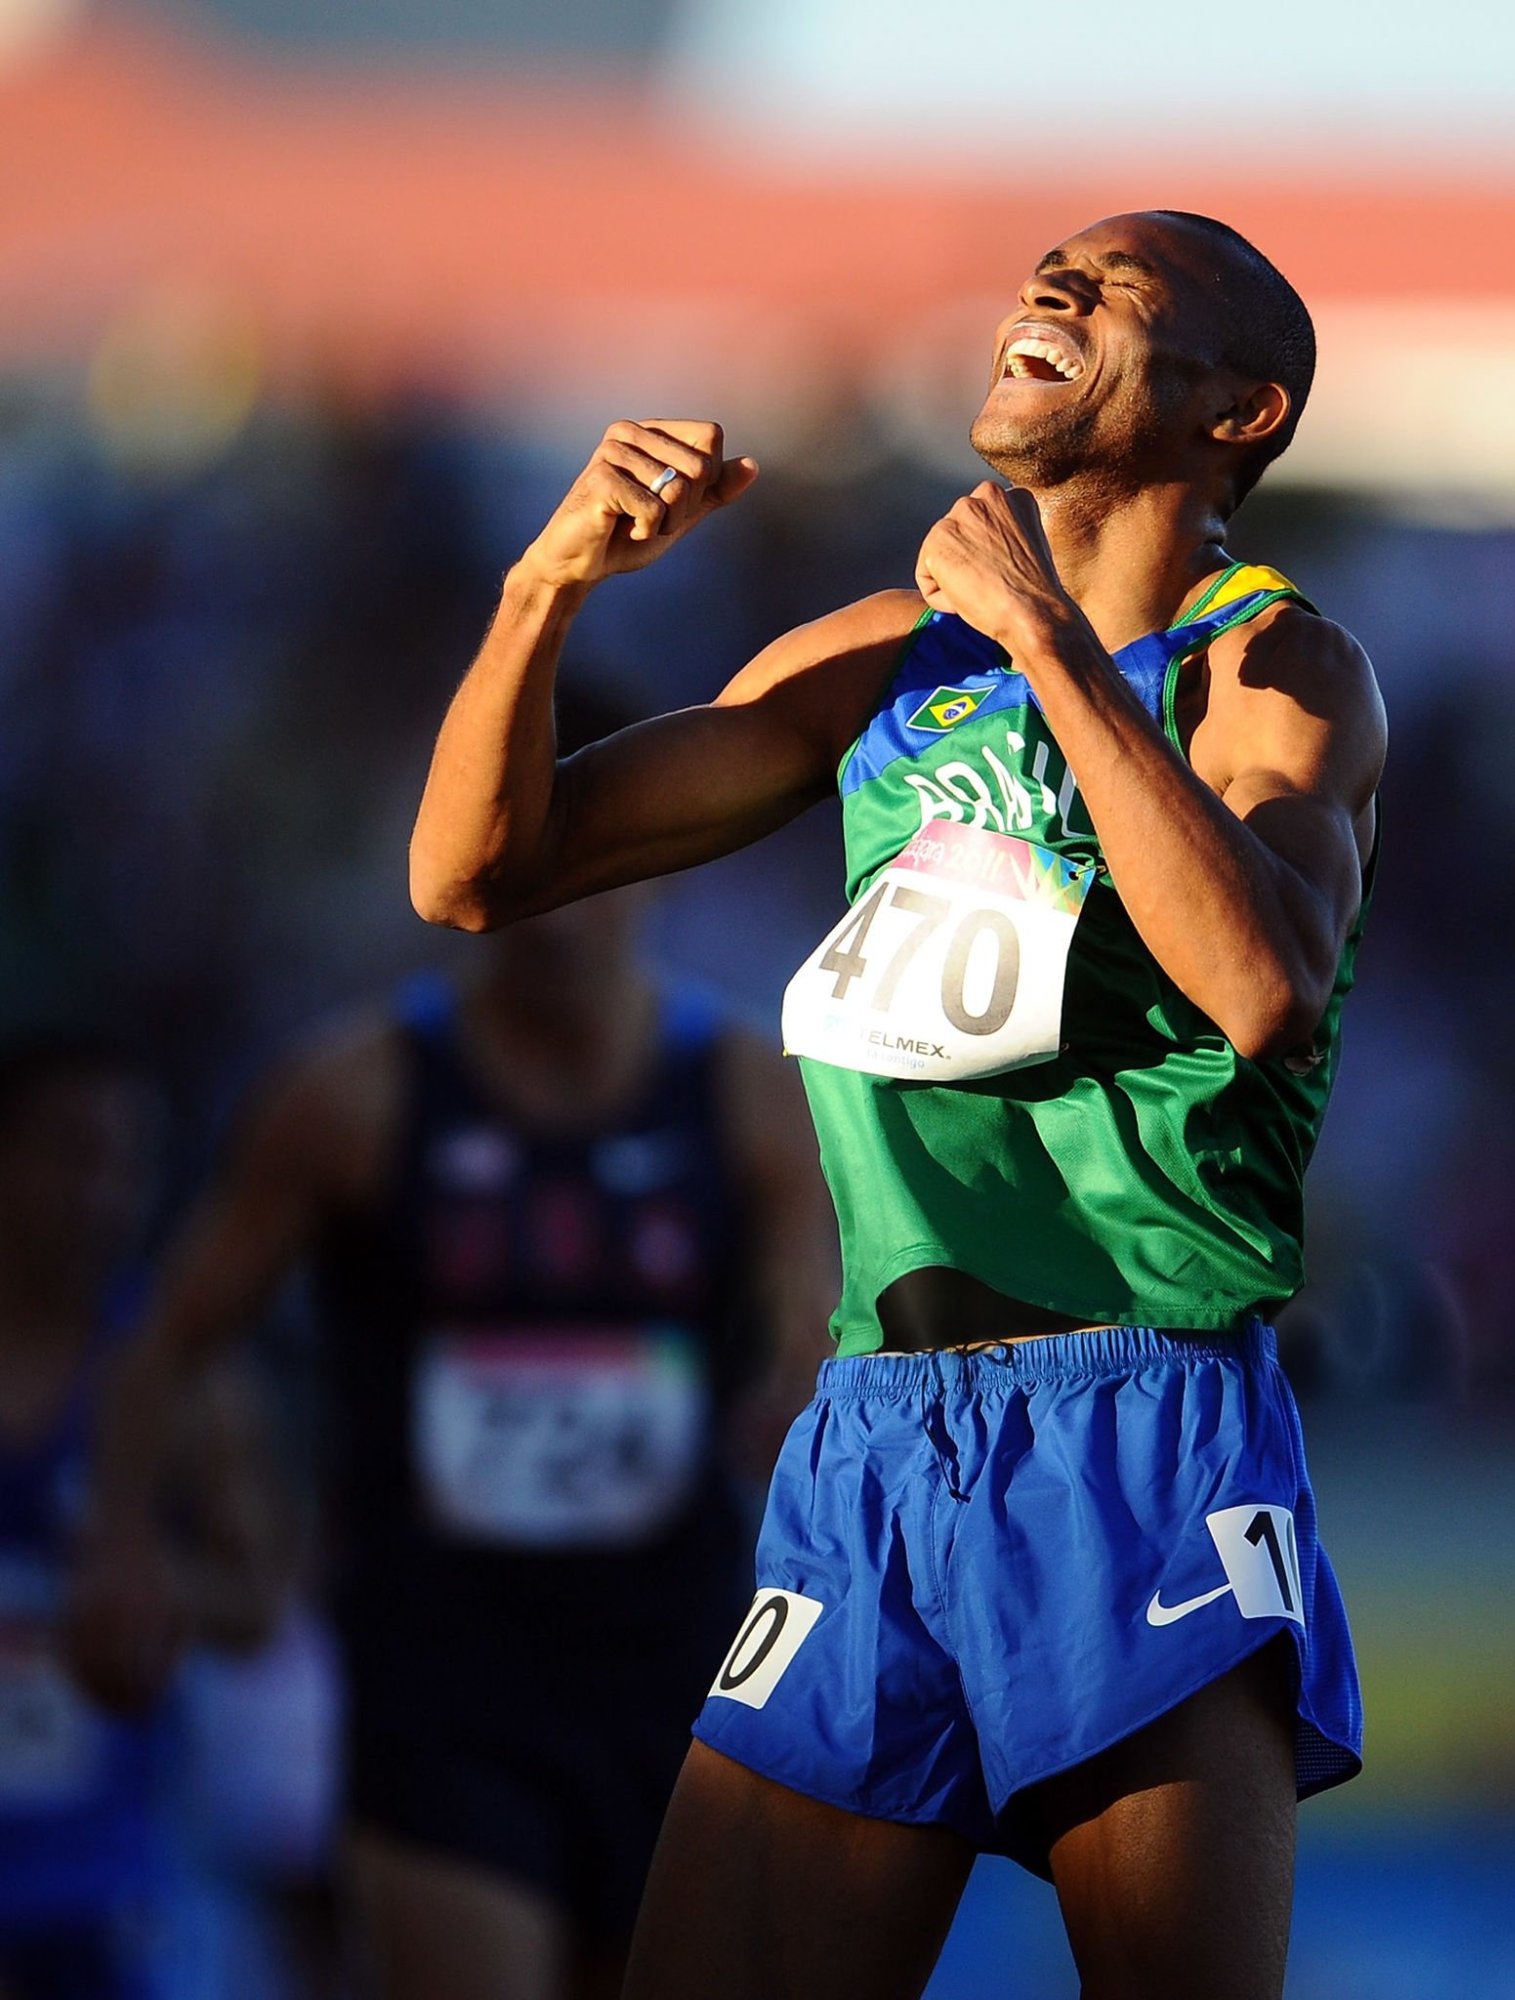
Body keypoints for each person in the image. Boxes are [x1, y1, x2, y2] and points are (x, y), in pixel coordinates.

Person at [406, 210, 1386, 2000]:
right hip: (869, 1451)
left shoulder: (1276, 670)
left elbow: (1262, 984)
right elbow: (480, 874)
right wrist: (542, 587)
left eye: (1118, 285)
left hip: (1139, 1427)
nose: (1052, 291)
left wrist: (1049, 638)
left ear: (1239, 410)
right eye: (1047, 275)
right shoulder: (888, 658)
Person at [68, 688, 835, 2000]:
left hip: (672, 1669)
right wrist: (122, 1541)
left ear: (655, 866)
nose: (560, 904)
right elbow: (168, 1336)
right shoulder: (349, 1096)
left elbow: (813, 1342)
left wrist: (787, 1403)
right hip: (438, 1676)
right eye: (529, 856)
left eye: (593, 858)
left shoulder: (753, 1097)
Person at [0, 1033, 286, 2000]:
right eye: (71, 1152)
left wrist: (129, 1585)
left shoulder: (185, 1385)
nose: (102, 1192)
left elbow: (255, 1609)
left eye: (130, 1162)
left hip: (110, 1877)